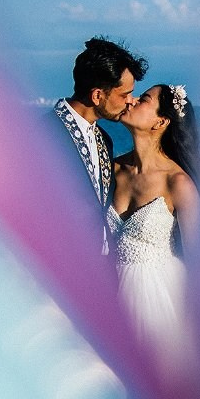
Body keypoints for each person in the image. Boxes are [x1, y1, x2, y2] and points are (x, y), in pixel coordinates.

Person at [110, 83, 200, 377]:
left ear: (160, 122)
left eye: (144, 99)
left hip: (158, 299)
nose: (132, 100)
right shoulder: (112, 170)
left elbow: (198, 262)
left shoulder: (178, 182)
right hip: (108, 292)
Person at [53, 38, 145, 247]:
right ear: (97, 95)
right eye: (124, 94)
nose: (130, 101)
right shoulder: (45, 135)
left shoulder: (105, 139)